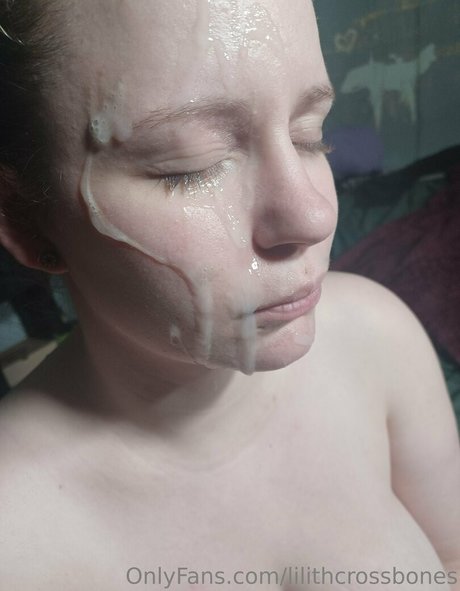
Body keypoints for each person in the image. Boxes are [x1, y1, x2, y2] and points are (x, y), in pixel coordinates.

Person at [0, 1, 459, 589]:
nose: (314, 215)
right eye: (190, 165)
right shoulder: (17, 542)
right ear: (24, 220)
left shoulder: (378, 338)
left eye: (309, 135)